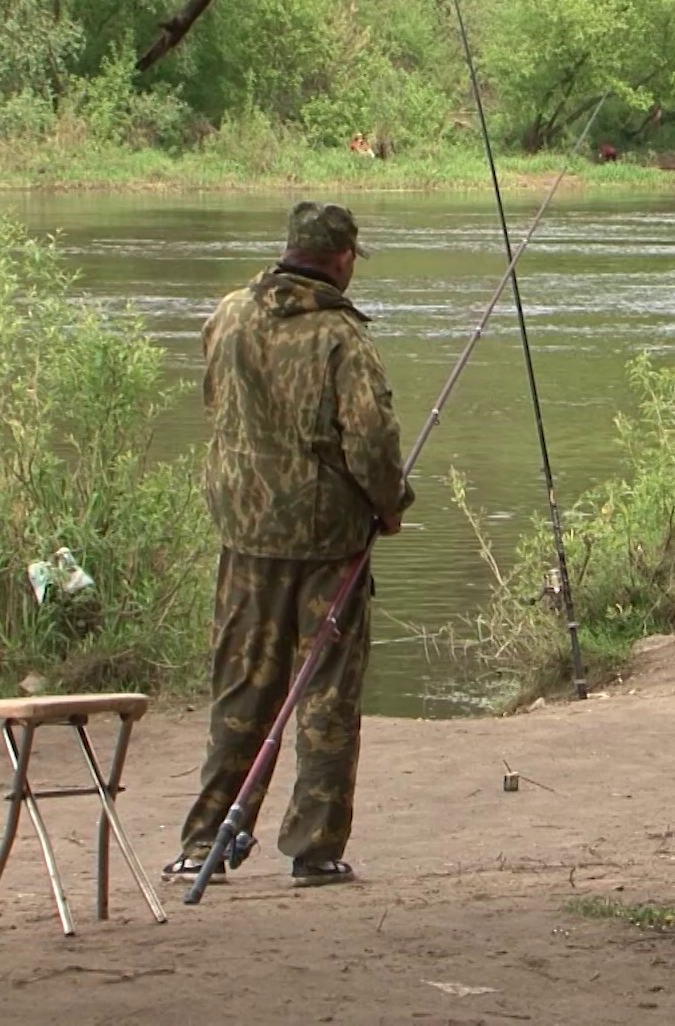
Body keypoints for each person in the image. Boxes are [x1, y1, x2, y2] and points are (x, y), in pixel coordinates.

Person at [163, 200, 415, 889]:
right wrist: (389, 508)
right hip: (328, 539)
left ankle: (202, 842)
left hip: (244, 533)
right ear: (341, 259)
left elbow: (214, 403)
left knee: (242, 685)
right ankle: (314, 851)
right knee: (326, 694)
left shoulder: (228, 315)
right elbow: (371, 440)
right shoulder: (342, 337)